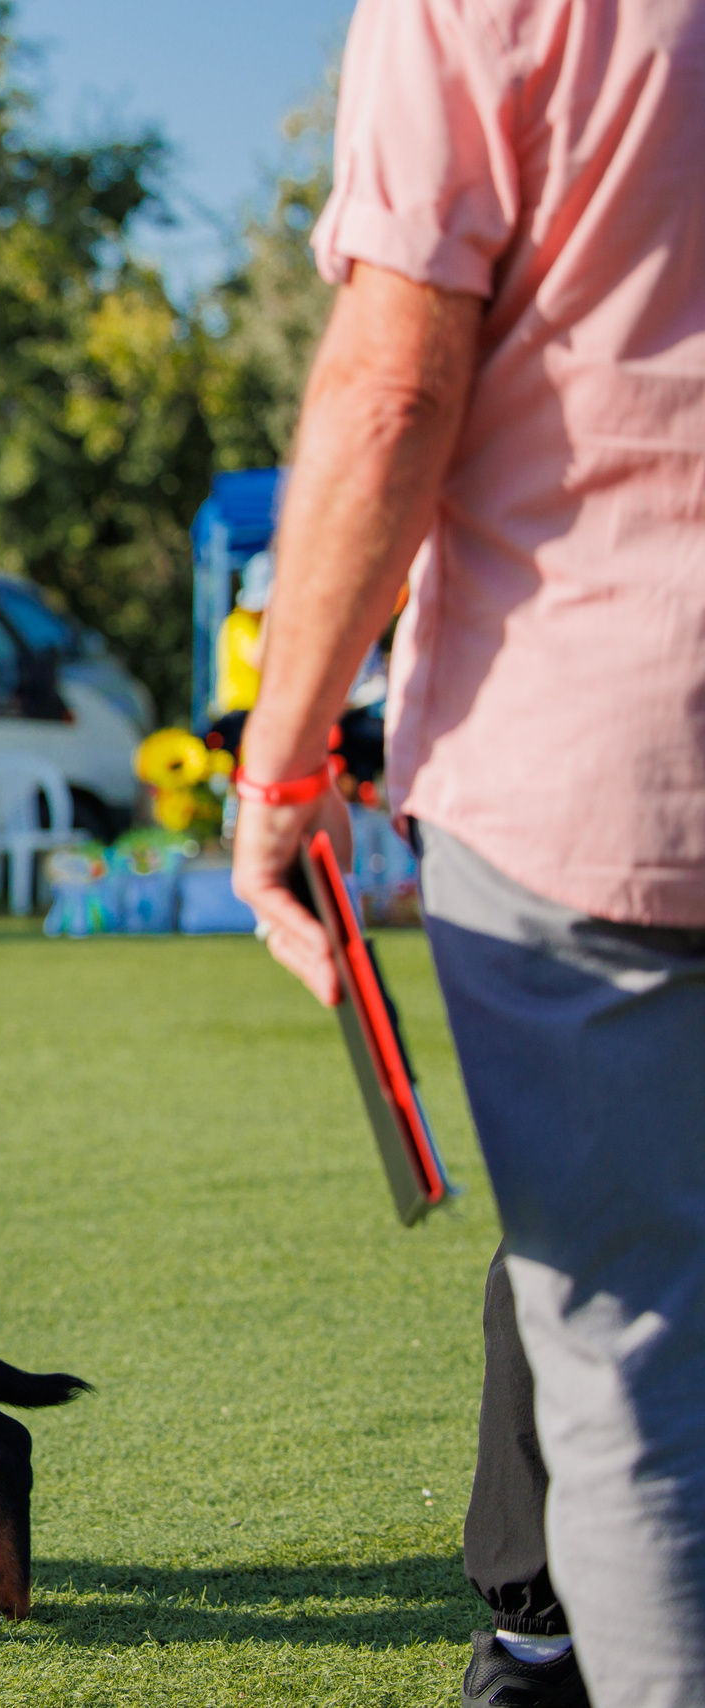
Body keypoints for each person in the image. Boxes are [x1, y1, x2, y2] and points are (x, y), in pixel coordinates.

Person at [228, 2, 704, 1704]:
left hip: (604, 765)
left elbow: (397, 382)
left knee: (633, 1380)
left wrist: (278, 768)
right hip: (601, 771)